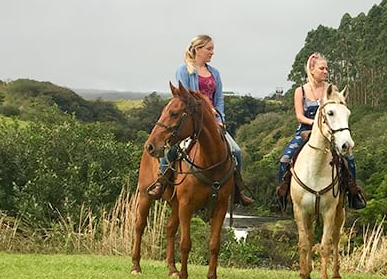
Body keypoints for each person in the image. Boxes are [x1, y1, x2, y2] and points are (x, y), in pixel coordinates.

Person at [147, 35, 254, 206]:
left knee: (237, 151)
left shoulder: (215, 73)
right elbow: (186, 97)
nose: (212, 52)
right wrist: (205, 111)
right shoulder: (184, 70)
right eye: (209, 49)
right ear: (198, 49)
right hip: (192, 119)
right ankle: (161, 181)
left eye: (212, 49)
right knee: (172, 149)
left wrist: (220, 119)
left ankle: (237, 190)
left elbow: (219, 99)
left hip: (213, 122)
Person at [275, 52, 366, 210]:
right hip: (306, 130)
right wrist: (316, 124)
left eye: (326, 69)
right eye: (322, 68)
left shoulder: (331, 90)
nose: (325, 71)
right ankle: (281, 195)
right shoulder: (300, 91)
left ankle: (353, 193)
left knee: (349, 157)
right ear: (311, 70)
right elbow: (299, 116)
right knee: (285, 159)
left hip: (329, 132)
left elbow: (338, 111)